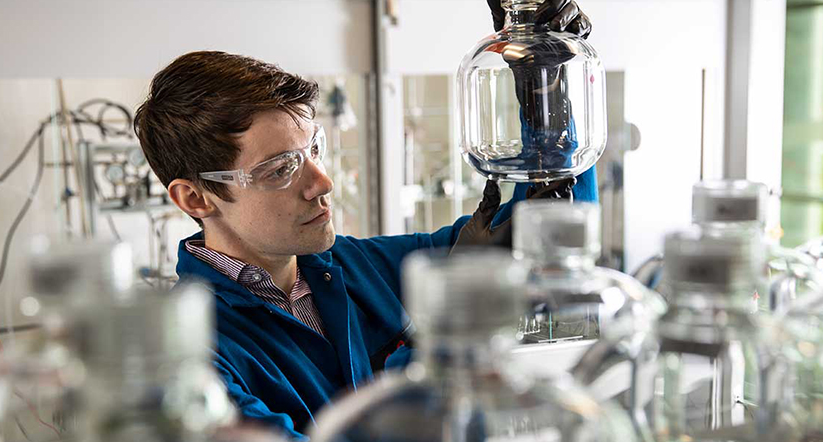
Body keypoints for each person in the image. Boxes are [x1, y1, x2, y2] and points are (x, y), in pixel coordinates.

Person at [133, 1, 594, 438]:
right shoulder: (190, 360)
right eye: (279, 169)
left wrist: (548, 85)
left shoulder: (362, 268)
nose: (322, 182)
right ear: (195, 199)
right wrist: (432, 348)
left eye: (313, 150)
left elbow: (546, 236)